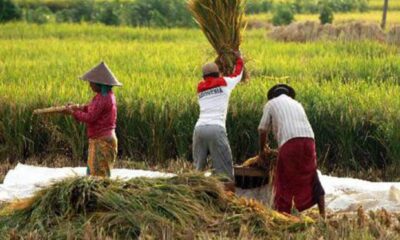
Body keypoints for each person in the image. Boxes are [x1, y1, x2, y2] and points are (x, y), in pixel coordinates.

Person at [258, 84, 326, 217]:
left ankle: (284, 215)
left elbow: (262, 129)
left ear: (272, 96)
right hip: (309, 140)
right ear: (289, 95)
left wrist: (262, 150)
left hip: (290, 142)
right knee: (311, 175)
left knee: (283, 178)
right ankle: (322, 213)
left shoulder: (271, 104)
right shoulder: (297, 104)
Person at [193, 51, 244, 182]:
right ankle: (227, 198)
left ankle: (193, 197)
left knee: (197, 172)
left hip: (199, 129)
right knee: (224, 172)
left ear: (204, 77)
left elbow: (211, 83)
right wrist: (239, 58)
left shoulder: (200, 87)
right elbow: (238, 74)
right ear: (218, 73)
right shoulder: (224, 82)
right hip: (216, 128)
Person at [64, 62, 122, 178]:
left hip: (102, 141)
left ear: (99, 83)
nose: (90, 85)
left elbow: (90, 117)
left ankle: (101, 196)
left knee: (97, 177)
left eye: (92, 82)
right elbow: (92, 108)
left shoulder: (103, 99)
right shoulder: (106, 96)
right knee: (96, 174)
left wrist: (74, 112)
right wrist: (78, 107)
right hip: (103, 139)